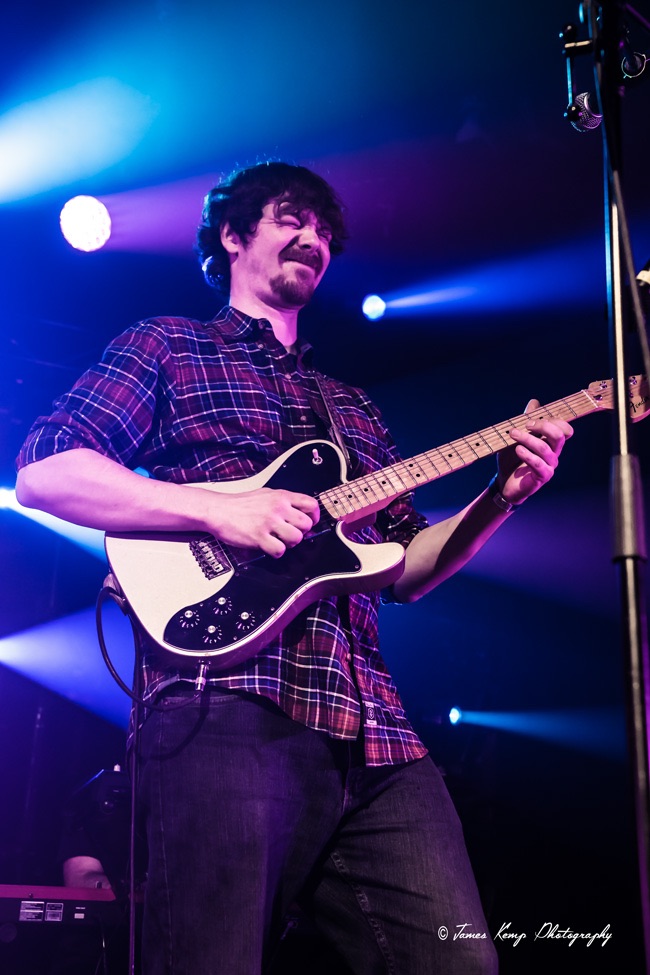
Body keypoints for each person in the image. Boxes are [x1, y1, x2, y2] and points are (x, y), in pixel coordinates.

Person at [15, 161, 573, 975]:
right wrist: (218, 507)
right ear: (233, 236)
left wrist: (501, 497)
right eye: (290, 219)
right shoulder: (168, 346)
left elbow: (407, 567)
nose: (312, 238)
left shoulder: (351, 409)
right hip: (225, 706)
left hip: (374, 734)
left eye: (324, 231)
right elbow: (44, 470)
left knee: (461, 965)